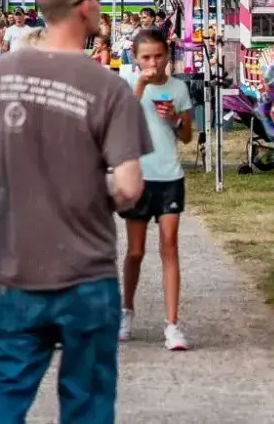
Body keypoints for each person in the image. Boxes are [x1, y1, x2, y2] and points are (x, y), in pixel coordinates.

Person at [0, 0, 149, 424]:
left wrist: (24, 195)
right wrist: (89, 195)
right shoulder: (109, 88)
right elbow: (130, 187)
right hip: (86, 272)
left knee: (2, 393)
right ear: (84, 7)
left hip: (13, 266)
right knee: (87, 400)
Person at [119, 26, 194, 350]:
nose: (153, 63)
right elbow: (121, 122)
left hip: (169, 177)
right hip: (138, 176)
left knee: (170, 247)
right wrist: (140, 84)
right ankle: (126, 309)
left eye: (158, 56)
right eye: (146, 57)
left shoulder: (178, 88)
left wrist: (176, 118)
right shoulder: (128, 85)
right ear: (135, 59)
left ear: (168, 56)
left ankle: (173, 324)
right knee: (135, 251)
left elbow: (188, 136)